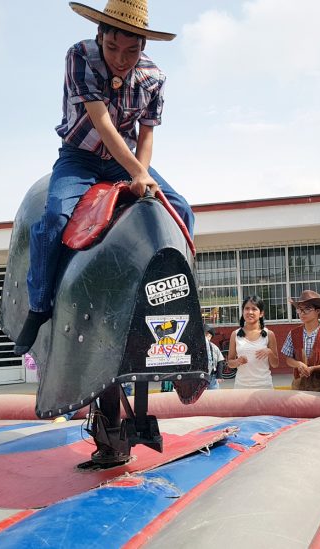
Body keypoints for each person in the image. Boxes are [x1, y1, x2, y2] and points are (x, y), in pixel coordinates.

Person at [13, 0, 193, 355]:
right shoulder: (79, 56)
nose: (121, 59)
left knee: (181, 209)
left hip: (123, 159)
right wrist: (138, 171)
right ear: (100, 35)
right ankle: (38, 306)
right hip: (79, 157)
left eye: (131, 50)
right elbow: (101, 122)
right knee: (52, 221)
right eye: (112, 47)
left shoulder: (154, 77)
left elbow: (147, 134)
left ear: (143, 46)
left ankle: (182, 300)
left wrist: (142, 177)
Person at [281, 290, 320, 392]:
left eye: (307, 309)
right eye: (299, 310)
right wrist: (298, 364)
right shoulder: (293, 333)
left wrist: (314, 368)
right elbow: (288, 359)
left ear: (317, 311)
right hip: (298, 387)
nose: (302, 313)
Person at [227, 296, 279, 390]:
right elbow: (230, 363)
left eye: (254, 309)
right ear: (243, 312)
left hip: (264, 387)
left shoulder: (269, 334)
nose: (250, 312)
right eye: (246, 308)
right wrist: (237, 361)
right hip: (241, 387)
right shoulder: (235, 335)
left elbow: (275, 364)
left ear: (261, 313)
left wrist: (270, 352)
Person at [204, 325, 222, 390]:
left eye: (207, 335)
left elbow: (220, 361)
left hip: (212, 376)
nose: (205, 337)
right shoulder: (196, 348)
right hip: (199, 376)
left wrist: (219, 376)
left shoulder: (214, 347)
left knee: (213, 393)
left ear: (210, 337)